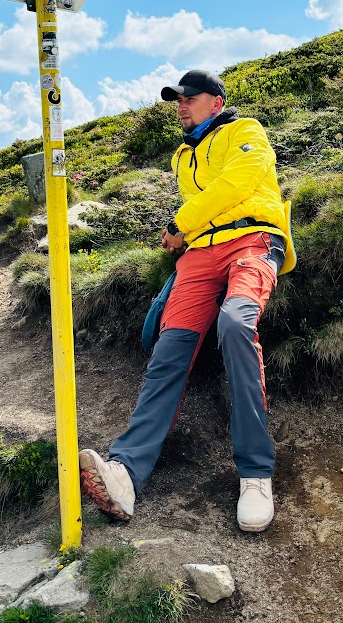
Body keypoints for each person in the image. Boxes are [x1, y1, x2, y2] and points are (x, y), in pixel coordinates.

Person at [79, 69, 295, 532]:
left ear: (215, 102)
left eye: (189, 98)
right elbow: (204, 208)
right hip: (200, 255)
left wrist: (179, 224)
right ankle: (126, 472)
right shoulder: (183, 154)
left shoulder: (245, 130)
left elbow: (235, 186)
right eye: (177, 99)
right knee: (169, 350)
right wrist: (185, 237)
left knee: (236, 325)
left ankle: (256, 473)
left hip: (253, 240)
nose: (180, 105)